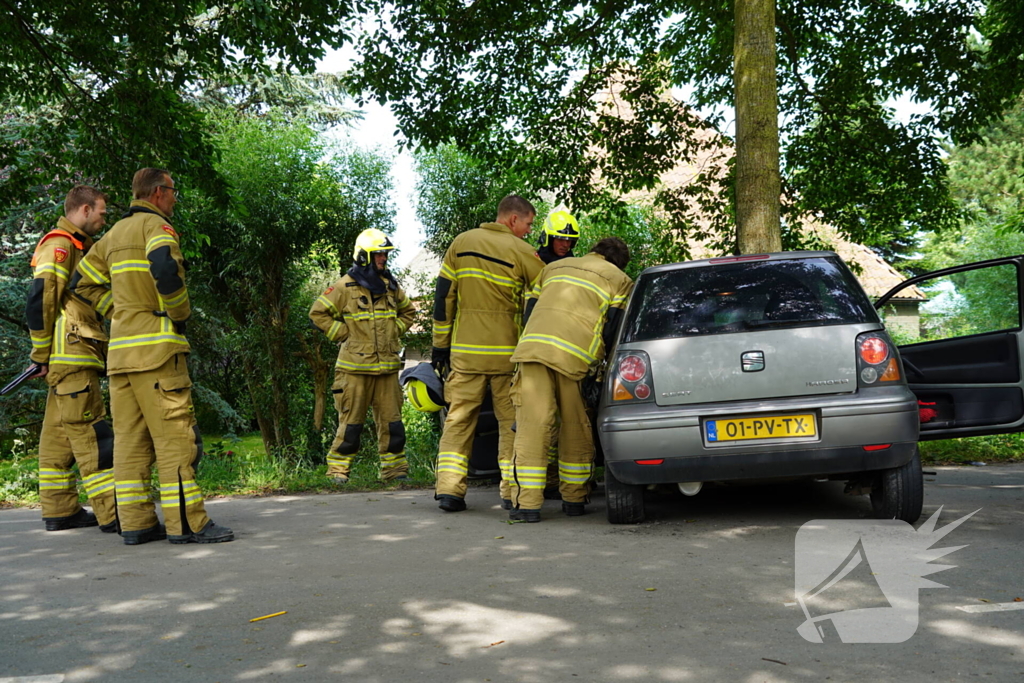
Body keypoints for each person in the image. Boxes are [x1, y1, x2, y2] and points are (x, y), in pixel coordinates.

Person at [72, 168, 233, 545]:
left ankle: (137, 524)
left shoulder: (111, 236)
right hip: (157, 354)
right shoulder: (156, 228)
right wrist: (178, 314)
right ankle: (188, 524)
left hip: (122, 358)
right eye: (174, 191)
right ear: (159, 192)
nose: (175, 198)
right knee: (175, 438)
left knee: (129, 443)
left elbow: (81, 283)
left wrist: (120, 312)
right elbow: (165, 269)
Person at [507, 237, 633, 522]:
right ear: (618, 262)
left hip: (534, 351)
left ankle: (526, 505)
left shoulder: (554, 268)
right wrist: (600, 372)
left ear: (595, 251)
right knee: (576, 425)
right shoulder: (621, 279)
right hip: (576, 358)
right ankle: (574, 499)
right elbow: (612, 329)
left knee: (532, 426)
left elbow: (529, 313)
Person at [432, 195, 544, 511]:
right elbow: (544, 293)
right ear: (512, 219)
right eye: (528, 224)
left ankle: (450, 491)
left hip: (465, 355)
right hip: (507, 357)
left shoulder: (461, 243)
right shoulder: (523, 252)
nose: (527, 230)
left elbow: (444, 300)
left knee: (458, 420)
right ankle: (510, 493)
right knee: (511, 423)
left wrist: (440, 346)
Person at [25, 185, 116, 533]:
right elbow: (41, 299)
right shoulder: (61, 245)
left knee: (58, 437)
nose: (104, 219)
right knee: (92, 435)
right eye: (102, 212)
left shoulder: (77, 246)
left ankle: (60, 509)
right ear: (84, 210)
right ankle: (113, 514)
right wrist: (40, 353)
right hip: (72, 356)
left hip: (67, 360)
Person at [309, 228, 416, 483]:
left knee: (393, 424)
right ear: (364, 256)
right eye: (378, 254)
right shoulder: (344, 286)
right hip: (354, 369)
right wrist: (343, 334)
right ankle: (338, 471)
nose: (383, 258)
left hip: (387, 369)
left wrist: (393, 331)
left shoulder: (391, 286)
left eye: (385, 254)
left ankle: (394, 471)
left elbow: (408, 313)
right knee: (351, 425)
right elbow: (318, 313)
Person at [533, 208, 582, 499]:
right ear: (547, 238)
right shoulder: (534, 261)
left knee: (569, 421)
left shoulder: (576, 265)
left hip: (568, 347)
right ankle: (548, 480)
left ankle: (568, 482)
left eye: (570, 240)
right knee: (542, 419)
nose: (565, 245)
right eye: (560, 239)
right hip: (538, 347)